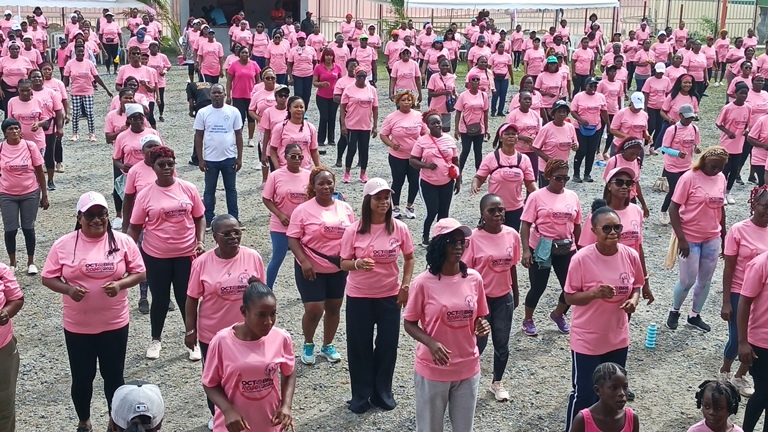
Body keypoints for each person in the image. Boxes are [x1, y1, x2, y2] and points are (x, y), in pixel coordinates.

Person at [42, 191, 146, 432]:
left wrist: (120, 284)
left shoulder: (122, 241)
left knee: (114, 378)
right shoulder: (64, 244)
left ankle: (115, 422)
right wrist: (68, 290)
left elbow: (140, 272)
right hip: (78, 326)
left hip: (115, 323)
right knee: (82, 378)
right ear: (79, 217)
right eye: (90, 215)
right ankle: (84, 421)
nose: (97, 220)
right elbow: (48, 277)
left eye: (102, 214)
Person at [403, 217, 490, 432]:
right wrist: (431, 343)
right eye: (452, 241)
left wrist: (481, 325)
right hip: (434, 369)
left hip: (468, 367)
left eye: (462, 241)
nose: (459, 246)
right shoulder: (423, 283)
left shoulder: (474, 279)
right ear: (439, 244)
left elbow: (480, 316)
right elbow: (409, 323)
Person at [563, 199, 643, 432]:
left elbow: (637, 285)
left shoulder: (630, 255)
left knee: (615, 392)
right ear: (594, 231)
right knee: (585, 393)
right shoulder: (581, 259)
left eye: (617, 227)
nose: (613, 232)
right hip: (588, 339)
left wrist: (633, 300)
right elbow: (569, 297)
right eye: (606, 228)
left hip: (617, 336)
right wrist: (595, 293)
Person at [340, 178, 414, 413]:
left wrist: (405, 286)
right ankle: (361, 395)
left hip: (389, 296)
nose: (383, 202)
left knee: (388, 344)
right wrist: (358, 263)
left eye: (386, 197)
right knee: (359, 345)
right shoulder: (354, 230)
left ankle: (382, 392)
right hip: (359, 296)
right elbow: (343, 263)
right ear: (367, 200)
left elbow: (409, 258)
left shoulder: (399, 227)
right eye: (378, 198)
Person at [185, 213, 265, 427]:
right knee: (215, 378)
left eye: (237, 232)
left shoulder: (253, 257)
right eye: (227, 233)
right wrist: (190, 330)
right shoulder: (201, 263)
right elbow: (192, 299)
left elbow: (262, 295)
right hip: (212, 333)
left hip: (246, 332)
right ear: (215, 237)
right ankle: (218, 416)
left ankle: (244, 412)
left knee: (244, 374)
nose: (233, 237)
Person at [127, 146, 206, 360]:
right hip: (156, 256)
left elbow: (199, 217)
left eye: (170, 164)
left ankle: (193, 340)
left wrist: (200, 240)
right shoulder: (145, 195)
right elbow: (135, 226)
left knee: (186, 298)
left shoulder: (188, 188)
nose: (167, 168)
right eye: (161, 165)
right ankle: (156, 340)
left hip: (186, 254)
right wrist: (127, 252)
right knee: (160, 299)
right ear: (153, 167)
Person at [202, 280, 296, 432]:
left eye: (273, 314)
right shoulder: (221, 341)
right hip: (234, 426)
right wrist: (227, 410)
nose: (269, 321)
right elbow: (209, 383)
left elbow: (289, 371)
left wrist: (286, 405)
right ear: (244, 311)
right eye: (261, 315)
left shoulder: (281, 338)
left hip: (269, 424)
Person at [287, 167, 354, 365]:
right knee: (315, 309)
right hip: (311, 268)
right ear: (313, 187)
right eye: (321, 183)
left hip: (338, 267)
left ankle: (328, 345)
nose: (326, 187)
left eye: (329, 183)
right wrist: (304, 260)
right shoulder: (303, 209)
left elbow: (353, 234)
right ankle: (308, 343)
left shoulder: (345, 208)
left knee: (334, 307)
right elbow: (293, 237)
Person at [463, 194, 520, 401]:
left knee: (502, 342)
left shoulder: (512, 235)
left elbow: (512, 265)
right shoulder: (472, 239)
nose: (498, 214)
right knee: (478, 343)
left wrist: (516, 291)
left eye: (501, 210)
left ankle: (497, 382)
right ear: (482, 213)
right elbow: (466, 273)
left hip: (503, 297)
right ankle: (467, 380)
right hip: (480, 301)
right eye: (492, 211)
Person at [667, 146, 729, 332]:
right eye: (713, 166)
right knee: (687, 280)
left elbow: (721, 208)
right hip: (690, 237)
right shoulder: (689, 177)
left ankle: (695, 314)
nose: (716, 171)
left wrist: (724, 236)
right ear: (704, 162)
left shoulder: (721, 178)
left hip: (712, 236)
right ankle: (674, 310)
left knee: (706, 279)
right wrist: (682, 239)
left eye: (720, 167)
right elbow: (673, 209)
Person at [520, 158, 581, 336]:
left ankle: (558, 314)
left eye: (565, 178)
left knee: (572, 287)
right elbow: (525, 224)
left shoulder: (573, 196)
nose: (562, 182)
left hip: (566, 248)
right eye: (558, 178)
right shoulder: (536, 196)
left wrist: (581, 249)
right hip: (542, 247)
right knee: (538, 286)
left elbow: (577, 225)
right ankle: (528, 319)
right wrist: (525, 251)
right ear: (548, 176)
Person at [721, 186, 768, 400]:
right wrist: (726, 301)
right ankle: (725, 370)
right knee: (738, 337)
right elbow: (729, 266)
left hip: (762, 295)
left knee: (756, 341)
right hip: (740, 291)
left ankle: (741, 375)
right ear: (754, 205)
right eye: (765, 206)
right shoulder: (738, 230)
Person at [0, 117, 48, 275]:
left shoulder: (30, 146)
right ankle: (13, 263)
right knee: (10, 230)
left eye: (16, 128)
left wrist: (44, 195)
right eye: (10, 129)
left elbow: (40, 172)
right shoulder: (1, 148)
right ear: (5, 133)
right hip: (7, 194)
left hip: (30, 193)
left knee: (29, 228)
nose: (14, 131)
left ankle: (31, 261)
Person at [194, 83, 244, 228]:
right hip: (210, 159)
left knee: (231, 189)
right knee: (209, 190)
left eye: (219, 93)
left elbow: (238, 134)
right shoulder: (203, 112)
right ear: (210, 95)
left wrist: (239, 157)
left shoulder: (233, 111)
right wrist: (200, 159)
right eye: (214, 93)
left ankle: (234, 217)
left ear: (224, 95)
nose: (216, 95)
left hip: (229, 158)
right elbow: (198, 136)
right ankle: (209, 218)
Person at [262, 144, 310, 289]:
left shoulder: (309, 175)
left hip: (302, 226)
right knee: (277, 258)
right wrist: (279, 214)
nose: (297, 159)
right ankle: (267, 290)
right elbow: (266, 198)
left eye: (300, 156)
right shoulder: (276, 175)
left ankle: (308, 291)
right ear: (285, 157)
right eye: (293, 156)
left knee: (305, 259)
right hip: (280, 225)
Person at [472, 124, 536, 230]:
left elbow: (530, 183)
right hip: (494, 209)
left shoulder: (524, 159)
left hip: (516, 208)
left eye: (514, 134)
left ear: (517, 138)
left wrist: (539, 194)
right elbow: (479, 177)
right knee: (492, 238)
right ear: (501, 138)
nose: (511, 136)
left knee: (510, 238)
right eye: (507, 134)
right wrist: (475, 185)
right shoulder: (492, 157)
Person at [410, 111, 460, 246]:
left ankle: (441, 239)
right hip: (428, 182)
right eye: (433, 123)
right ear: (428, 125)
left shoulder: (449, 140)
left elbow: (455, 161)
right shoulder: (421, 141)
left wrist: (458, 180)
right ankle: (425, 237)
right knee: (432, 211)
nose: (437, 125)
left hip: (447, 182)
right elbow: (412, 160)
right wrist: (425, 165)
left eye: (438, 122)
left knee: (444, 212)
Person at [380, 90, 426, 220]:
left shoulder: (419, 116)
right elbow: (383, 134)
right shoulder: (392, 117)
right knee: (398, 181)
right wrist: (391, 144)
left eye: (409, 100)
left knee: (414, 181)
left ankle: (410, 206)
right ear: (398, 102)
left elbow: (425, 132)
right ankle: (395, 207)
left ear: (413, 102)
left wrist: (423, 145)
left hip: (414, 157)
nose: (406, 102)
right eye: (403, 100)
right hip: (397, 156)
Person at [739, 253, 768, 431]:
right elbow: (744, 301)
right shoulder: (760, 264)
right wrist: (742, 341)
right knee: (763, 392)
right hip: (761, 344)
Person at [340, 66, 379, 183]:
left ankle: (363, 173)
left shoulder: (371, 90)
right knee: (351, 149)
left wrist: (375, 126)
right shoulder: (349, 89)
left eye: (363, 76)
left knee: (364, 150)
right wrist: (343, 124)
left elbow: (375, 108)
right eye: (359, 76)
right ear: (355, 77)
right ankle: (347, 172)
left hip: (365, 124)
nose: (361, 79)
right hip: (352, 124)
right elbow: (342, 107)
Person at [718, 82, 752, 204]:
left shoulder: (748, 108)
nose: (743, 96)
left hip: (739, 144)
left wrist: (747, 130)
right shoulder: (727, 108)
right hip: (727, 144)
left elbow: (748, 123)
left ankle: (728, 192)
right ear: (735, 93)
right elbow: (719, 123)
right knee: (724, 170)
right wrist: (728, 132)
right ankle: (720, 192)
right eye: (741, 93)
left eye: (745, 94)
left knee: (735, 169)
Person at [531, 100, 578, 187]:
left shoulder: (570, 127)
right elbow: (535, 147)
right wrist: (550, 160)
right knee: (545, 195)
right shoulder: (546, 129)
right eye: (559, 112)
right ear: (553, 113)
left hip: (562, 169)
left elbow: (575, 143)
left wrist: (575, 146)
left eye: (564, 112)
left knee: (559, 193)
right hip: (547, 168)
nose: (562, 114)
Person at [570, 77, 609, 182]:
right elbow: (573, 111)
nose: (593, 88)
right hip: (580, 128)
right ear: (585, 86)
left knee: (591, 152)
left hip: (596, 128)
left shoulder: (601, 97)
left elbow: (604, 112)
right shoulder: (578, 97)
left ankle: (587, 174)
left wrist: (608, 125)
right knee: (581, 150)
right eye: (590, 86)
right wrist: (581, 120)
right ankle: (576, 174)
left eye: (595, 86)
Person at [269, 95, 321, 172]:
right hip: (285, 170)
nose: (299, 109)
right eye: (296, 107)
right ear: (289, 108)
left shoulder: (310, 128)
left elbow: (314, 150)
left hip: (305, 170)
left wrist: (319, 169)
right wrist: (277, 168)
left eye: (301, 107)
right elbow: (272, 150)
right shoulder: (280, 127)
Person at [0, 252, 22, 431]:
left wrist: (6, 312)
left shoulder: (1, 270)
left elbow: (16, 299)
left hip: (2, 349)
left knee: (4, 404)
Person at [454, 71, 490, 172]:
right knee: (465, 150)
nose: (475, 82)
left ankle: (479, 173)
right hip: (466, 127)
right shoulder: (463, 96)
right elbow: (458, 113)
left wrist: (486, 129)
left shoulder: (483, 96)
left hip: (479, 127)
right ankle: (459, 172)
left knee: (478, 151)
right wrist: (456, 129)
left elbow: (486, 113)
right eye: (473, 80)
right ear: (469, 82)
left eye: (477, 80)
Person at [654, 74, 699, 151]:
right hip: (670, 125)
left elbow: (695, 112)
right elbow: (662, 111)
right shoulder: (672, 96)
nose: (687, 85)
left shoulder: (694, 98)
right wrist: (669, 119)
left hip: (685, 127)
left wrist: (694, 116)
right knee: (665, 148)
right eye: (685, 82)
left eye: (689, 83)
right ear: (680, 83)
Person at [313, 48, 342, 148]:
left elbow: (340, 81)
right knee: (324, 117)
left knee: (332, 117)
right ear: (323, 56)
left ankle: (331, 139)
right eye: (327, 55)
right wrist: (321, 84)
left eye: (330, 55)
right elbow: (314, 82)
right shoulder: (318, 67)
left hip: (334, 97)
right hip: (322, 96)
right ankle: (320, 139)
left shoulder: (337, 67)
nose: (329, 57)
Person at [426, 57, 457, 134]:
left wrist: (456, 97)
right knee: (435, 130)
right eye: (443, 65)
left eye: (447, 65)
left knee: (446, 130)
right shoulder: (434, 77)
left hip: (447, 107)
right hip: (435, 107)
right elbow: (430, 93)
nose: (445, 67)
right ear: (439, 66)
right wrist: (443, 92)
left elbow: (453, 91)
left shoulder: (452, 77)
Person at [287, 32, 316, 108]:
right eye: (300, 39)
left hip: (308, 75)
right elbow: (289, 64)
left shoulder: (311, 49)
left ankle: (304, 110)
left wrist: (314, 75)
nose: (302, 40)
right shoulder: (293, 50)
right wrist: (291, 77)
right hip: (297, 75)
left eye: (303, 39)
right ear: (297, 40)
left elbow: (315, 62)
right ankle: (297, 108)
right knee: (298, 94)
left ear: (305, 39)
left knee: (307, 94)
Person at [489, 42, 514, 117]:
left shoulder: (508, 56)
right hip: (495, 77)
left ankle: (500, 111)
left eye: (503, 47)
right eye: (500, 47)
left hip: (505, 77)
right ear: (497, 48)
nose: (502, 48)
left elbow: (510, 68)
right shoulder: (493, 56)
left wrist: (512, 78)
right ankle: (493, 111)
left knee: (503, 95)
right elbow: (488, 67)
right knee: (495, 94)